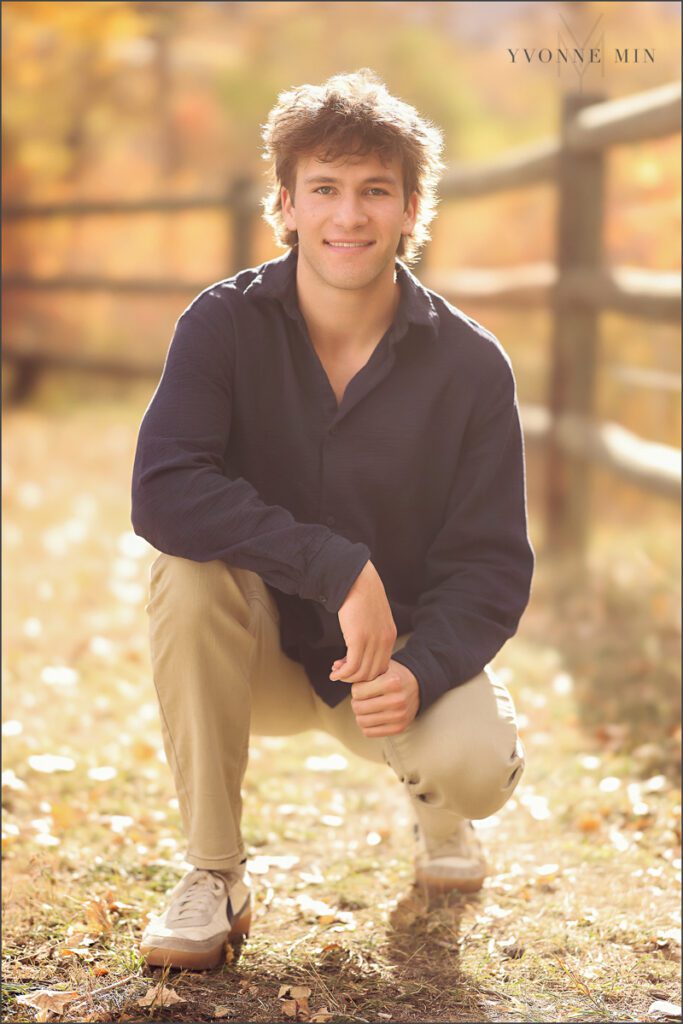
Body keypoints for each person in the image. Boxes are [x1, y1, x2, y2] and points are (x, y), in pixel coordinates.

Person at [131, 69, 534, 971]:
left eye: (373, 192)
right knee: (182, 567)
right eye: (324, 189)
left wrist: (421, 671)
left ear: (409, 209)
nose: (348, 216)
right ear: (286, 202)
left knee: (473, 767)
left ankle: (440, 815)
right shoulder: (221, 325)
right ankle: (213, 872)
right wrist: (336, 567)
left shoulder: (472, 367)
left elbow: (492, 564)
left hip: (394, 670)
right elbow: (162, 488)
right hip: (260, 657)